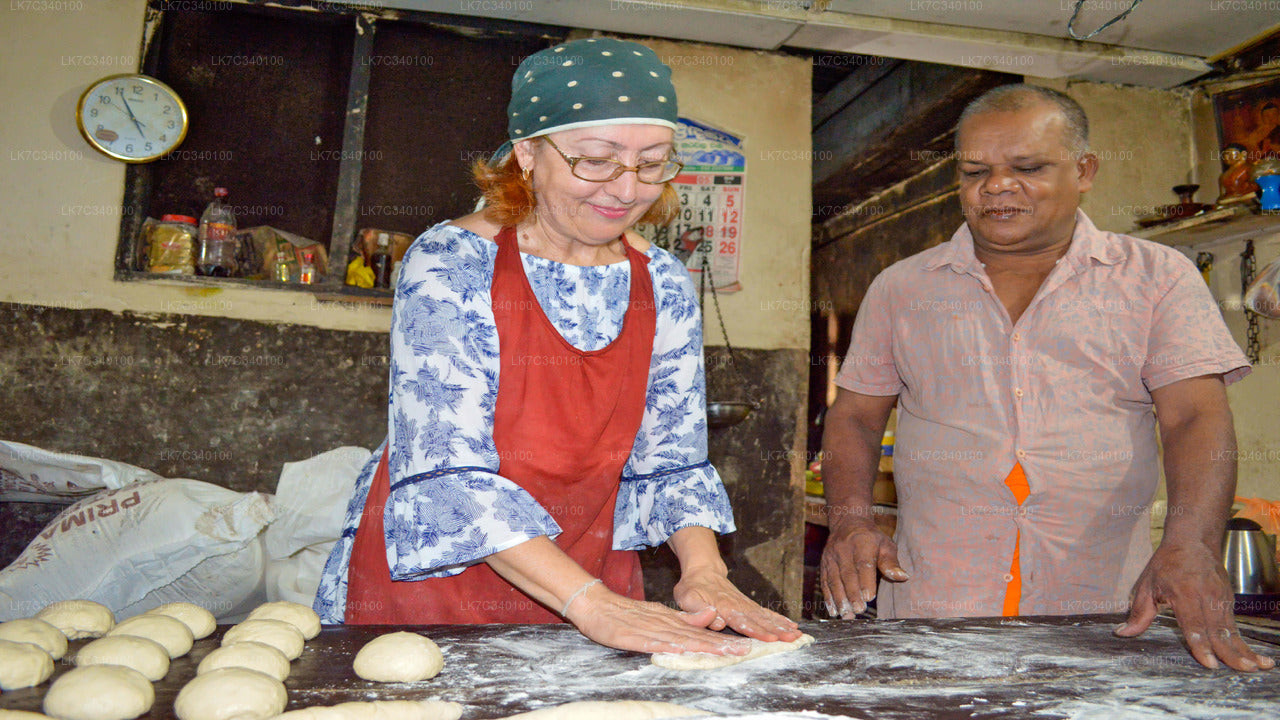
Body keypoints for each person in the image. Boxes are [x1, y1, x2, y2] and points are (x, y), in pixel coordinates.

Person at [314, 37, 799, 656]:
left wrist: (705, 571)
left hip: (589, 567)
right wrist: (591, 606)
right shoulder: (453, 261)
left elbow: (671, 457)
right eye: (596, 160)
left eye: (653, 163)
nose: (626, 190)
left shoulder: (665, 282)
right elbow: (447, 472)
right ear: (527, 155)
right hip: (440, 582)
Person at [820, 84, 1274, 672]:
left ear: (1084, 171)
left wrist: (1191, 543)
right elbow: (855, 416)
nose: (997, 186)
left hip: (1103, 612)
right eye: (975, 171)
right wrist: (850, 521)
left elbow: (1194, 418)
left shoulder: (1157, 277)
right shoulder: (903, 289)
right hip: (936, 613)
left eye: (1028, 167)